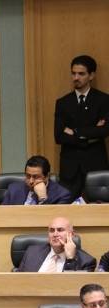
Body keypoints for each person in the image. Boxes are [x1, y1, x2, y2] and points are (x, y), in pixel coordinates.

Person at [54, 55, 109, 200]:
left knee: (98, 207)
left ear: (91, 75)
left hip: (95, 166)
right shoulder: (63, 103)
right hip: (70, 168)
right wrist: (91, 135)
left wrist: (75, 132)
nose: (76, 78)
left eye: (81, 74)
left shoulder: (104, 100)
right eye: (73, 73)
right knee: (66, 207)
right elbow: (59, 136)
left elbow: (104, 131)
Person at [16, 217, 96, 272]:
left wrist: (70, 259)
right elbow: (19, 280)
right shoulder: (32, 252)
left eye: (60, 230)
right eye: (51, 230)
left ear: (71, 234)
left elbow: (73, 285)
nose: (55, 234)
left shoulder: (86, 261)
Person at [2, 155, 71, 205]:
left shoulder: (62, 195)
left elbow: (53, 218)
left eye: (36, 177)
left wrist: (43, 198)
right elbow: (2, 214)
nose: (31, 181)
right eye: (28, 176)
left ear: (47, 176)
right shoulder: (13, 189)